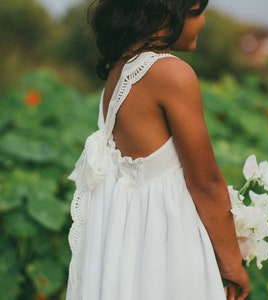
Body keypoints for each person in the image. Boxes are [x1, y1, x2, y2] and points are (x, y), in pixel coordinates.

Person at [66, 0, 250, 299]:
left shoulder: (118, 70)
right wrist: (232, 262)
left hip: (126, 246)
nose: (203, 21)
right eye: (198, 10)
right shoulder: (171, 73)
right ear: (171, 10)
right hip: (165, 248)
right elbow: (205, 184)